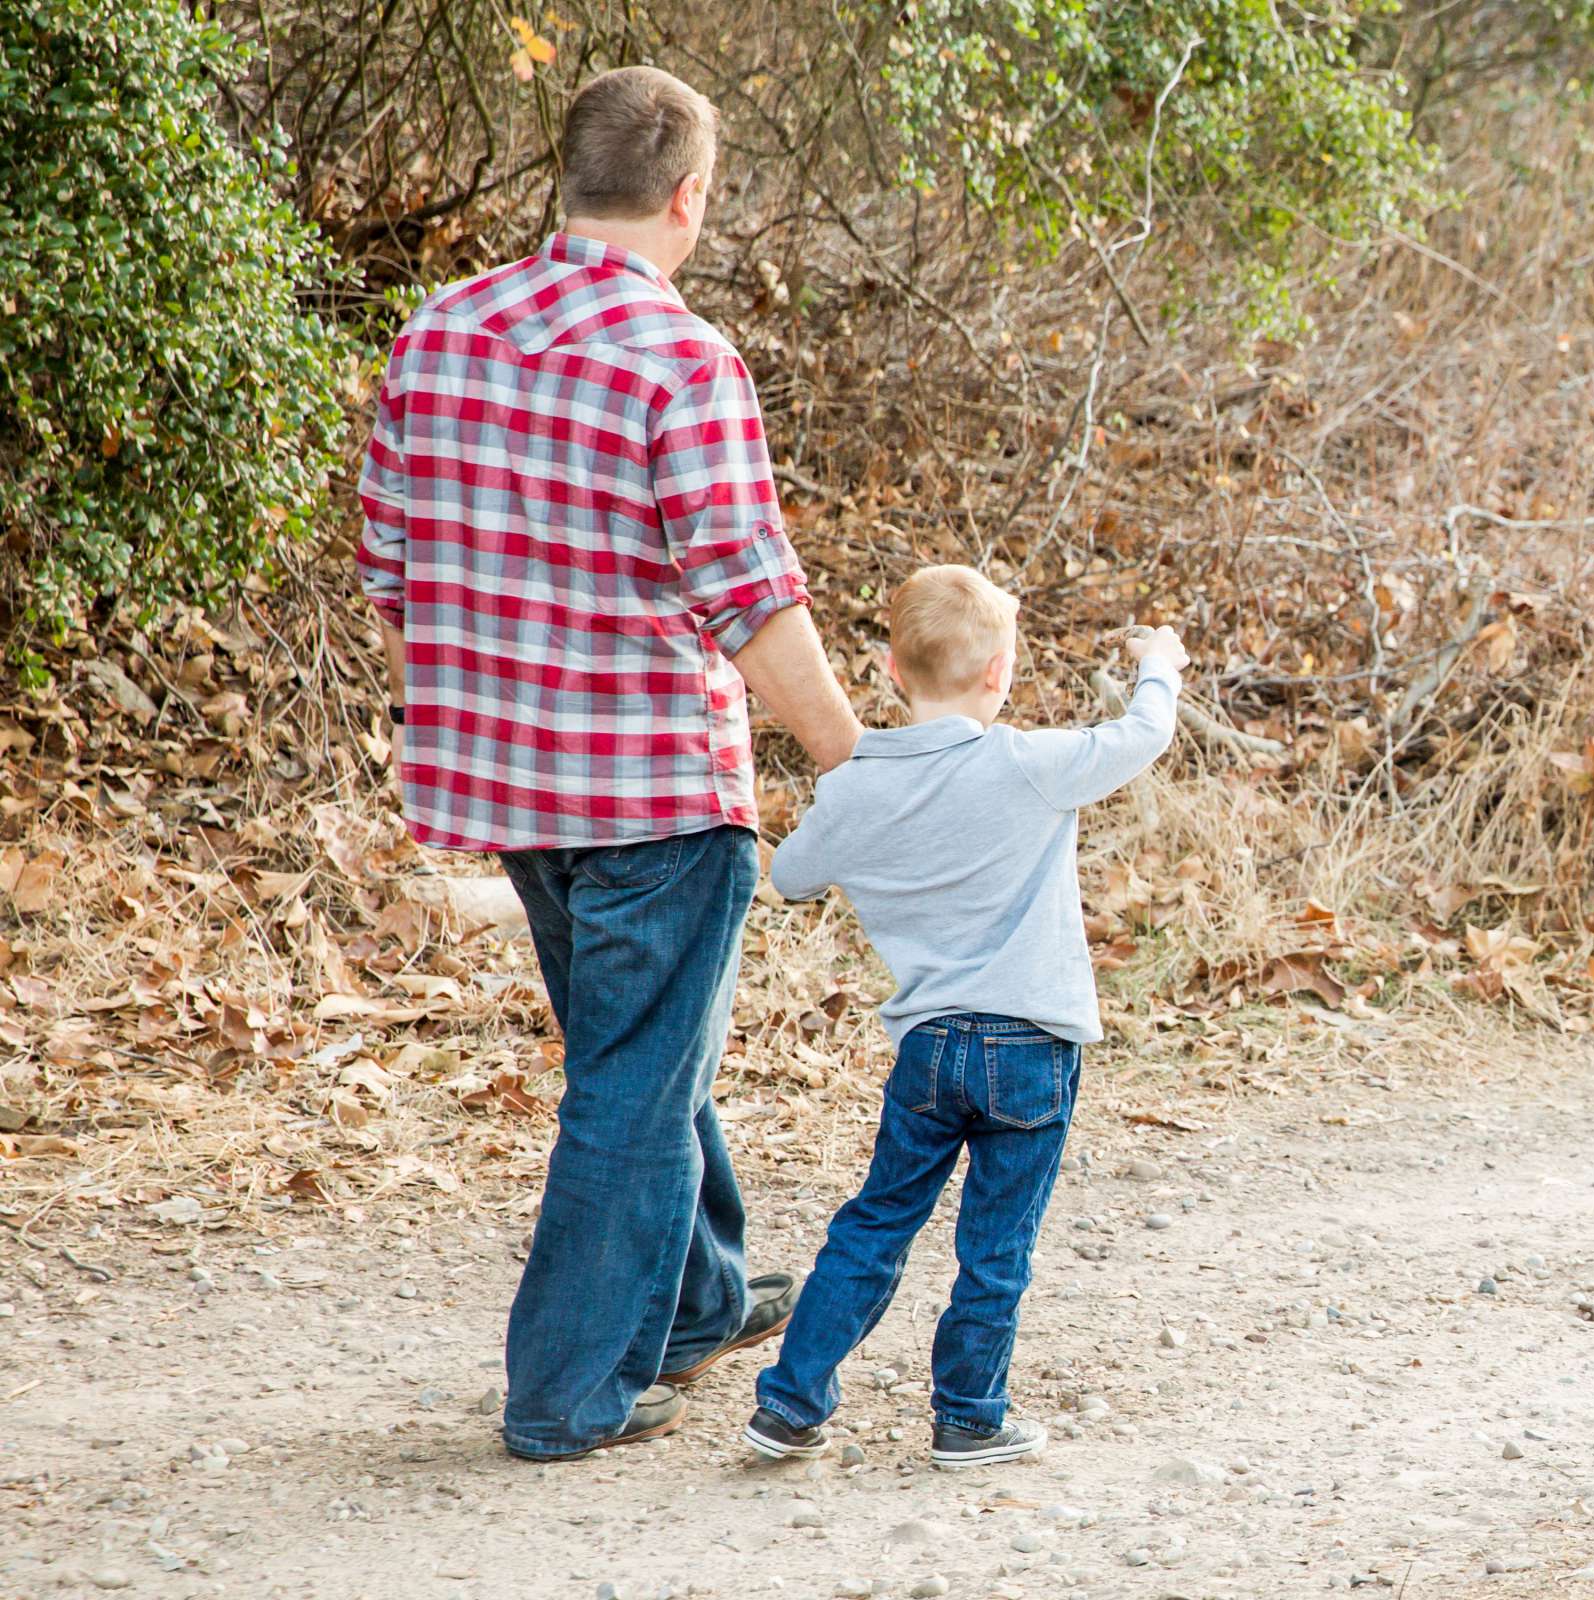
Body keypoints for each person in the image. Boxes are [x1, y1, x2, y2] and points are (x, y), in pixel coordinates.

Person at [355, 66, 863, 1461]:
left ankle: (692, 1304)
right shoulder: (679, 359)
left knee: (643, 1059)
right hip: (652, 790)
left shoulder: (442, 330)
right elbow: (748, 595)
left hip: (510, 783)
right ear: (690, 196)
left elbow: (389, 563)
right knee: (635, 1083)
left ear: (565, 178)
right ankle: (565, 1393)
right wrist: (855, 759)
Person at [743, 566, 1187, 1469]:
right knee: (995, 1242)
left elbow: (786, 877)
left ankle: (790, 1404)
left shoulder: (859, 785)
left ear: (892, 669)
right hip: (1031, 1043)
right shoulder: (1025, 762)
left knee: (875, 1222)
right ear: (1001, 673)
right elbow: (1144, 733)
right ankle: (970, 1417)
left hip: (929, 1048)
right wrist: (1160, 663)